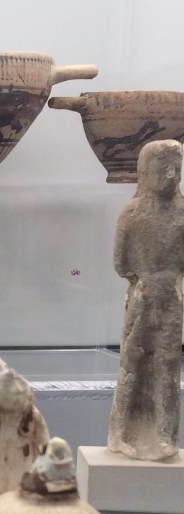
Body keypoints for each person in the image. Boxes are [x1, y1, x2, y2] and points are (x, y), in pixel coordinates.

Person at [108, 140, 184, 461]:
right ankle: (121, 432)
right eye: (163, 167)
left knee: (168, 366)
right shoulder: (132, 213)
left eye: (177, 168)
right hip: (142, 299)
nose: (171, 174)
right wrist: (143, 281)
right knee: (131, 365)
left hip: (170, 300)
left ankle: (164, 435)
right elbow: (121, 263)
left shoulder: (181, 212)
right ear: (145, 171)